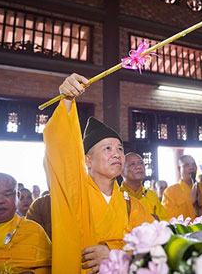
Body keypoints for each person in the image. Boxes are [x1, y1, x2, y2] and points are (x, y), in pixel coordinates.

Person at [44, 73, 153, 273]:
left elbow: (155, 243)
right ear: (88, 160)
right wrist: (67, 100)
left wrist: (115, 251)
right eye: (107, 148)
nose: (117, 154)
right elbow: (60, 149)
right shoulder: (73, 192)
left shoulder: (132, 205)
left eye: (120, 148)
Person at [163, 155, 202, 221]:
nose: (192, 167)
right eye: (187, 165)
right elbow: (168, 217)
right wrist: (190, 202)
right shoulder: (169, 192)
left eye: (194, 164)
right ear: (179, 169)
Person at [120, 152, 169, 221]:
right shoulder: (116, 195)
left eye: (141, 163)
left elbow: (165, 222)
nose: (139, 167)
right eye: (132, 164)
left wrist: (157, 220)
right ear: (122, 172)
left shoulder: (151, 195)